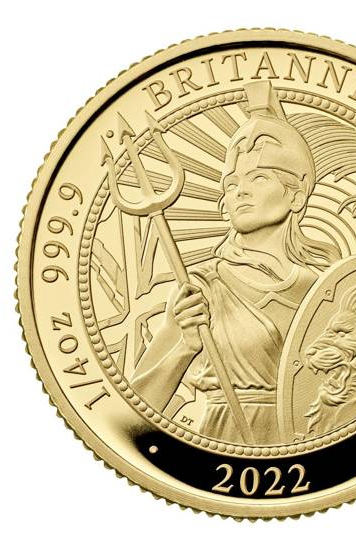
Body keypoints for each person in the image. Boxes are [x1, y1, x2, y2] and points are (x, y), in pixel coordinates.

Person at [131, 81, 340, 444]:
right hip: (223, 446)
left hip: (312, 448)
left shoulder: (324, 290)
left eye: (259, 178)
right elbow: (133, 411)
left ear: (297, 195)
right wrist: (185, 346)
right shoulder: (200, 288)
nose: (241, 191)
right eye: (232, 184)